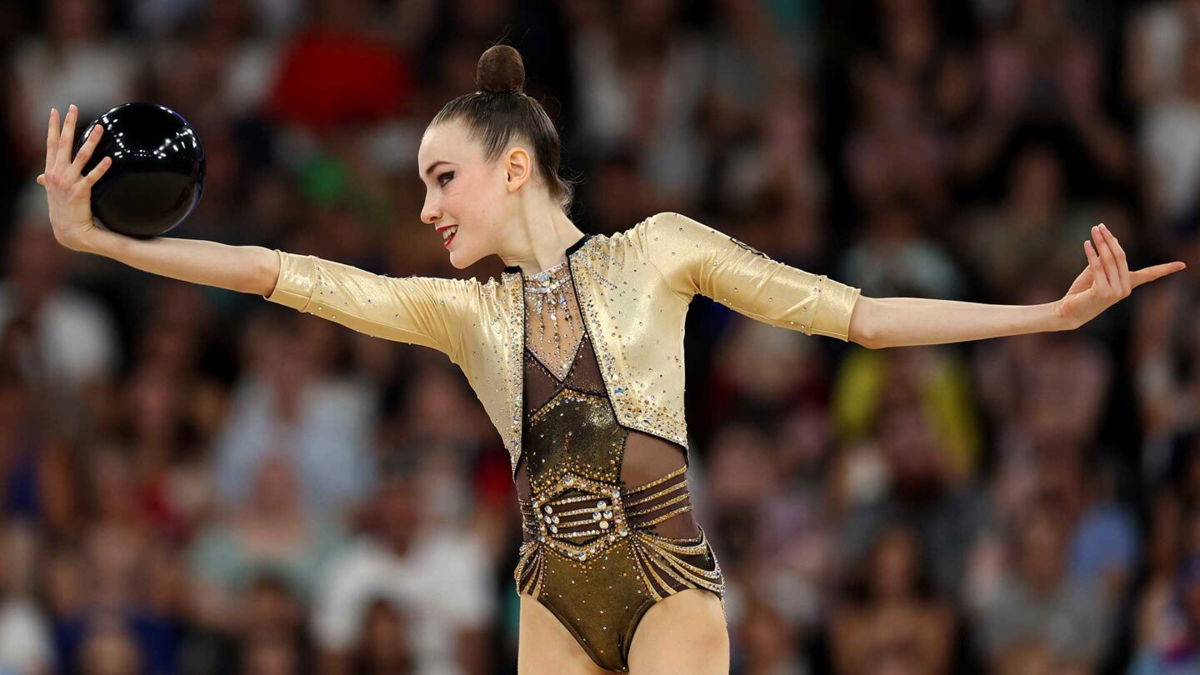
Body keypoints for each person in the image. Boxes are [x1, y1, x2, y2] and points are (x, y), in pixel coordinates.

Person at [35, 42, 1187, 674]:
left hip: (666, 589)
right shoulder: (460, 316)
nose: (427, 207)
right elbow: (276, 273)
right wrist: (101, 242)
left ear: (515, 168)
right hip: (547, 600)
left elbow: (862, 318)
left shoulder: (660, 252)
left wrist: (1043, 319)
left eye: (443, 178)